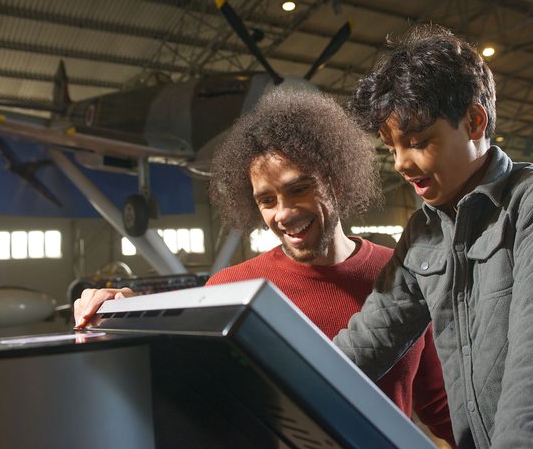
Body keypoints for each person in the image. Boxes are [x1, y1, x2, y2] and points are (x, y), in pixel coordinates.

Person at [74, 88, 455, 445]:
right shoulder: (230, 289)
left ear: (335, 181)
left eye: (299, 188)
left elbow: (439, 405)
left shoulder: (404, 274)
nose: (283, 214)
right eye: (266, 200)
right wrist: (122, 315)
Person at [332, 23, 533, 448]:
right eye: (392, 148)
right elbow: (369, 338)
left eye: (419, 141)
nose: (402, 164)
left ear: (475, 121)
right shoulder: (422, 232)